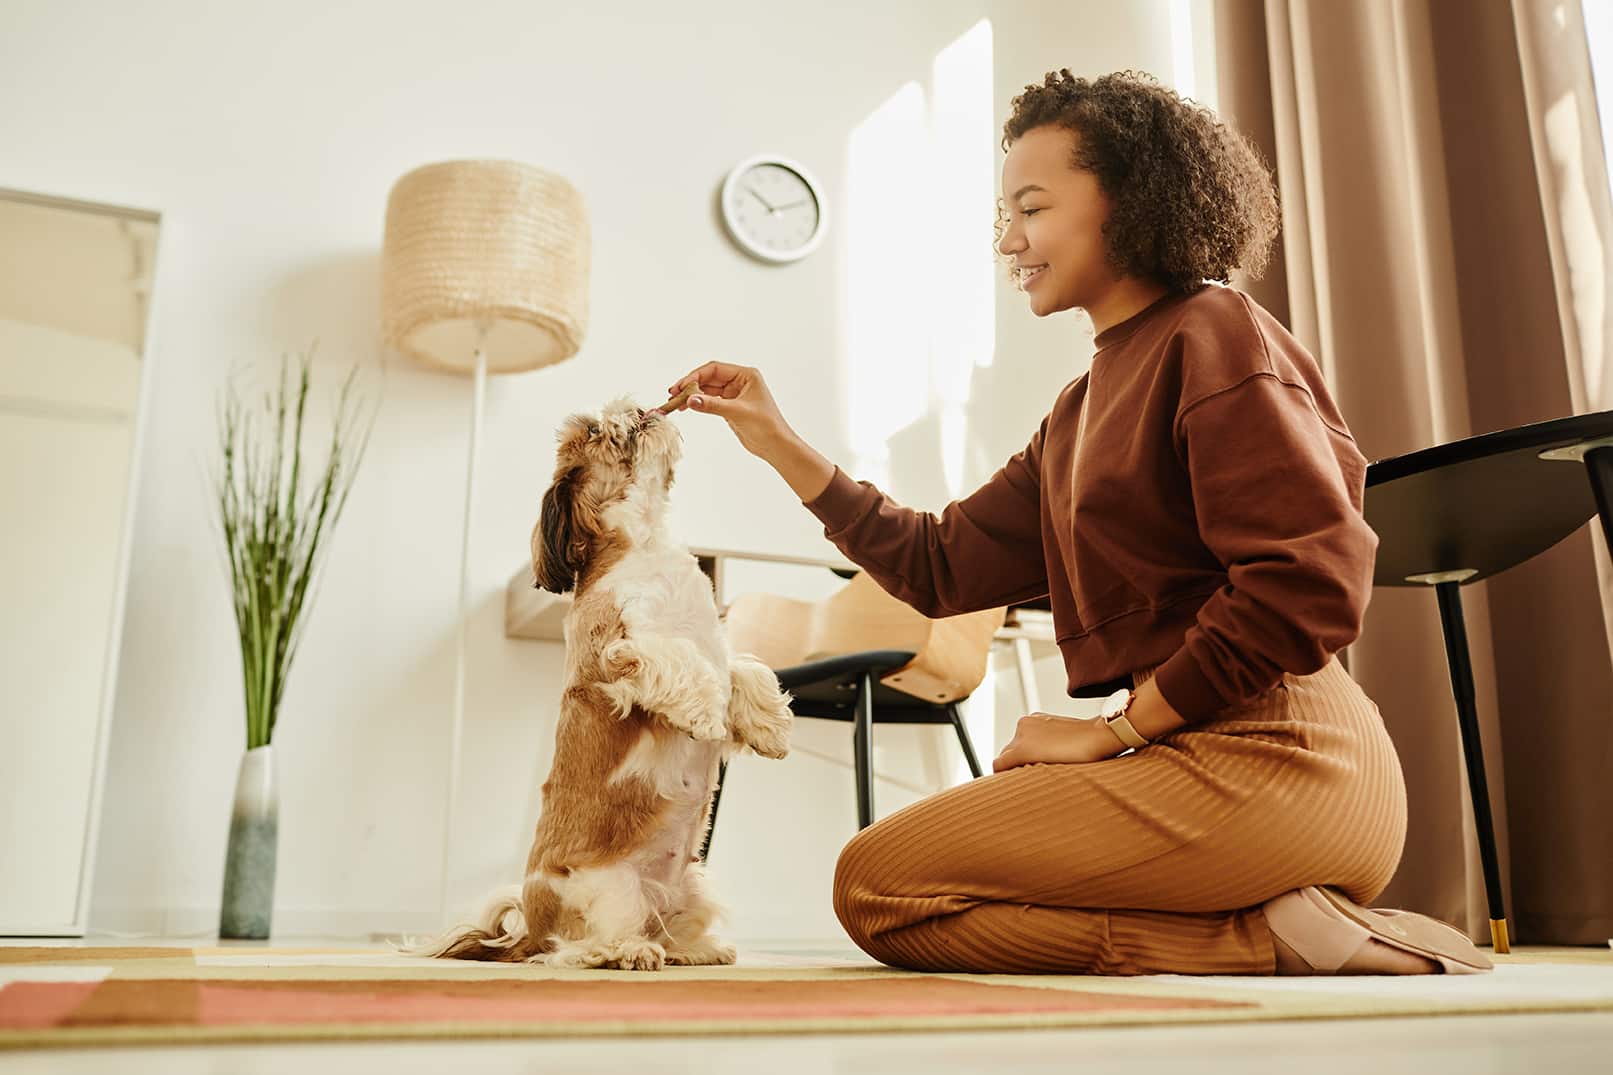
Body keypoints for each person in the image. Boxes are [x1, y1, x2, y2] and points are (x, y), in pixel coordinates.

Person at [663, 70, 1489, 976]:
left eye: (1032, 206)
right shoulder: (1078, 412)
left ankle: (1268, 934)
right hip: (1199, 752)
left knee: (879, 880)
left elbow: (1309, 582)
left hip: (1284, 755)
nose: (1009, 239)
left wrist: (1113, 731)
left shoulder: (1213, 331)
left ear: (1128, 201)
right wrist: (779, 442)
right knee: (884, 890)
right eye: (1002, 214)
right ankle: (1282, 928)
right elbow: (938, 565)